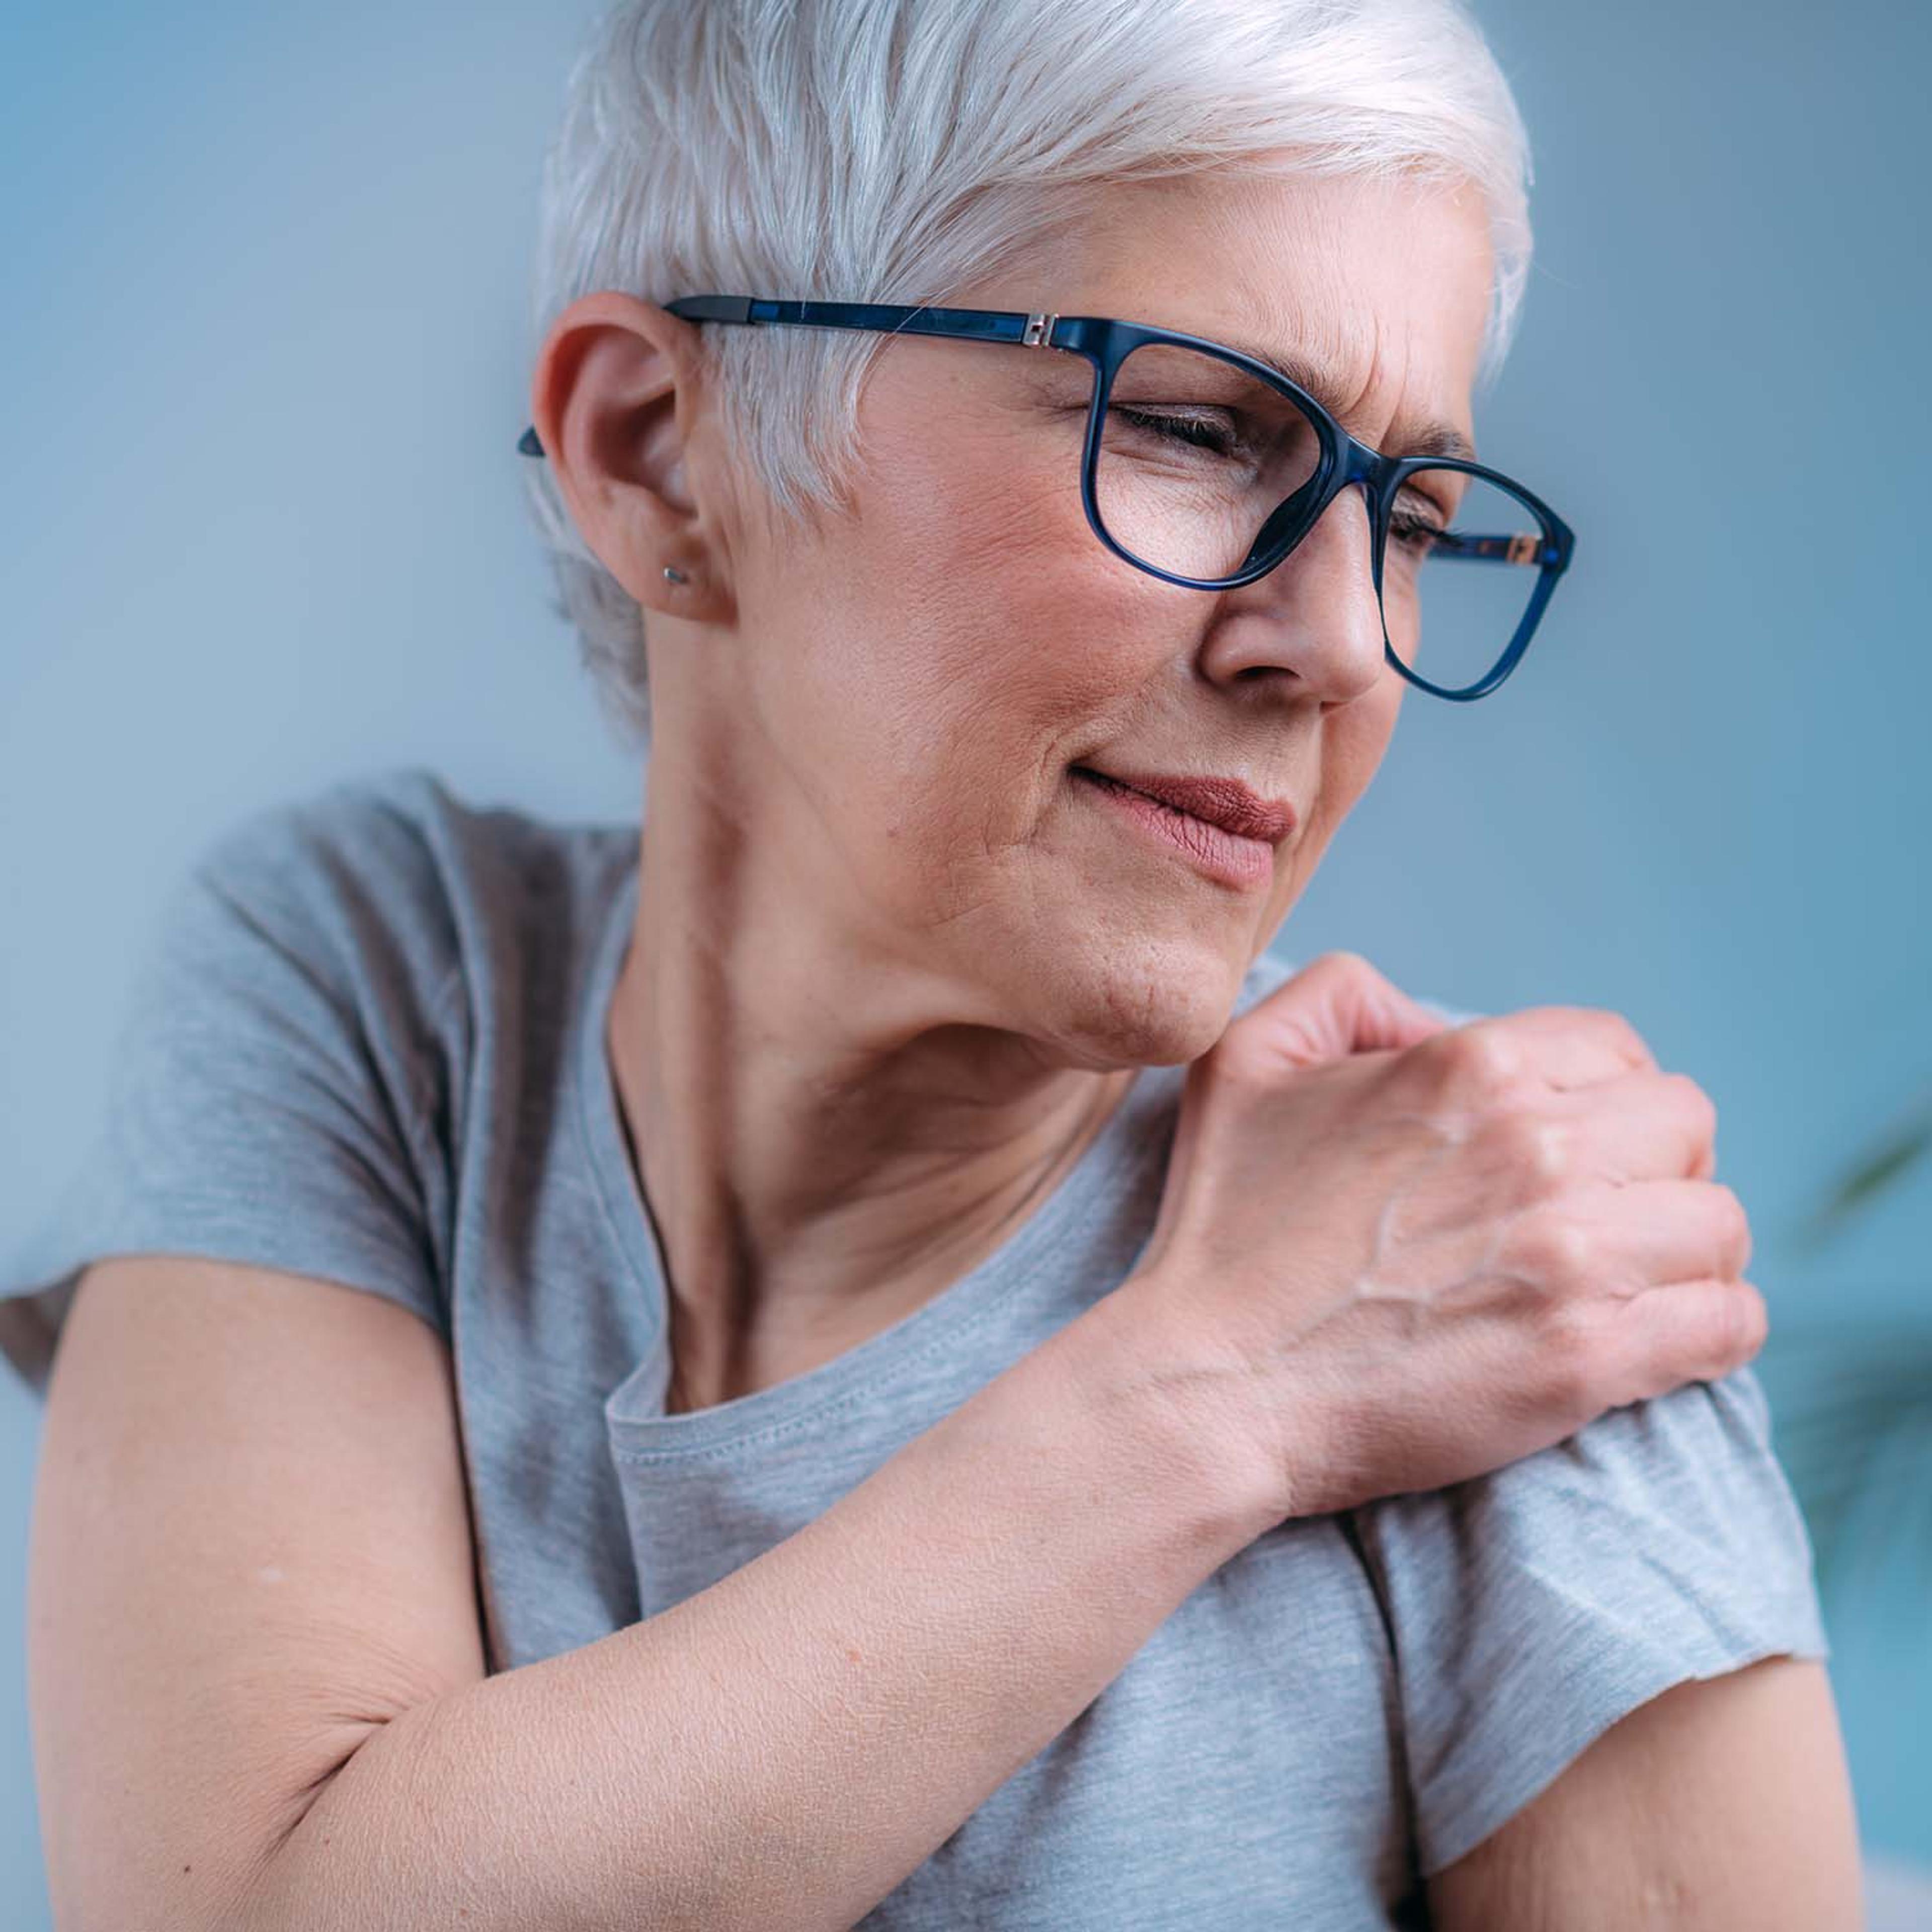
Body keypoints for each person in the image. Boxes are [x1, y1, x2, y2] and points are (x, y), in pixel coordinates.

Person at [2, 0, 1862, 1925]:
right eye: (1198, 428)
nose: (1344, 648)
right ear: (655, 457)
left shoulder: (1504, 1265)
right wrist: (1222, 1388)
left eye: (1414, 519)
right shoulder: (388, 986)